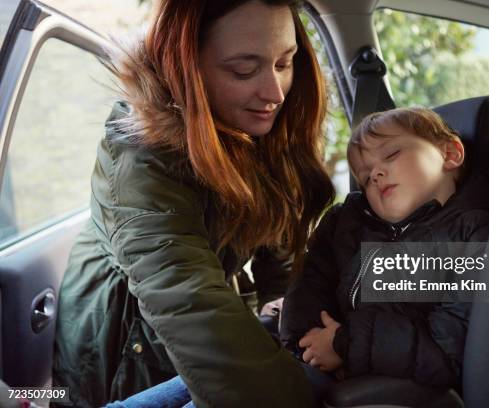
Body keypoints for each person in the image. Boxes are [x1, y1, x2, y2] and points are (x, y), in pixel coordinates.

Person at [52, 1, 335, 407]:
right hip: (121, 333)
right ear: (187, 67)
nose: (275, 93)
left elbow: (282, 250)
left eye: (284, 63)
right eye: (243, 69)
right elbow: (186, 297)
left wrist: (299, 324)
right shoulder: (137, 156)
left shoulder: (255, 131)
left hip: (193, 315)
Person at [280, 107, 489, 394]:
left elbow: (449, 350)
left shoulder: (473, 237)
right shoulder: (351, 227)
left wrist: (345, 344)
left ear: (450, 154)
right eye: (366, 178)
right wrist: (304, 344)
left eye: (391, 155)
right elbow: (311, 282)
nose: (377, 175)